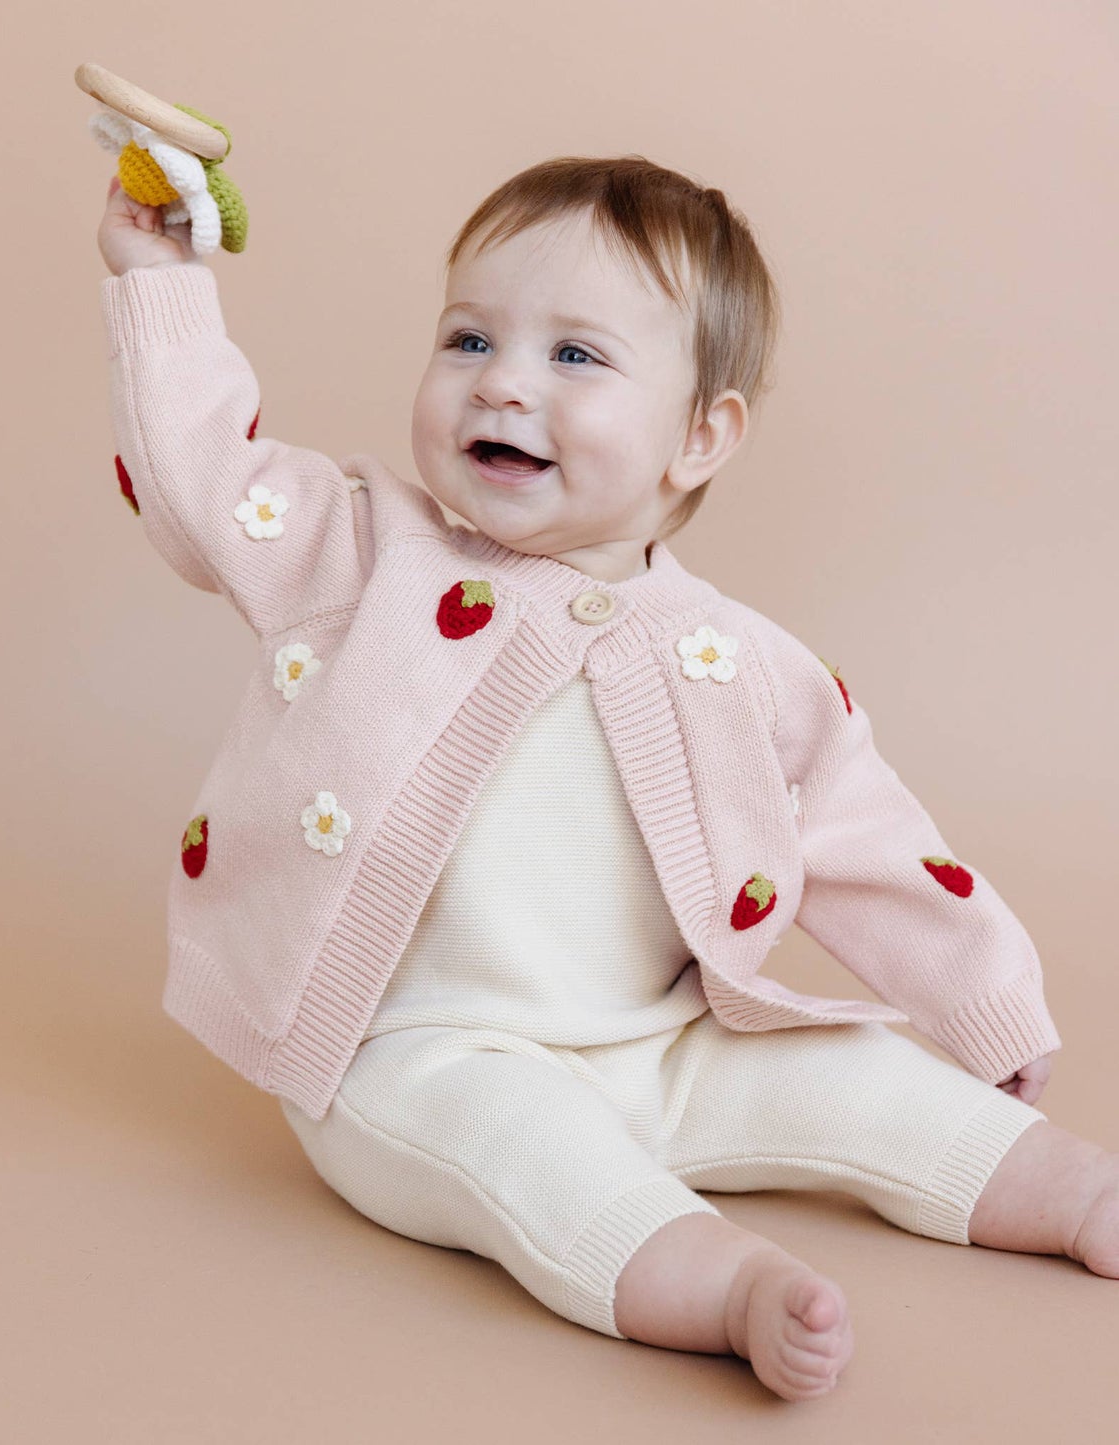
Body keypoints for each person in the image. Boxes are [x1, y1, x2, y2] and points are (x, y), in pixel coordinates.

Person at [94, 155, 1118, 1400]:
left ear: (700, 434)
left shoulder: (733, 655)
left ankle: (1071, 1189)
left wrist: (984, 996)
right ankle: (719, 1281)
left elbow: (861, 834)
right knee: (528, 1155)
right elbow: (205, 484)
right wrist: (161, 286)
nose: (504, 382)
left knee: (857, 1072)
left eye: (574, 356)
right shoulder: (361, 551)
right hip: (418, 1049)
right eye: (467, 337)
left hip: (670, 1035)